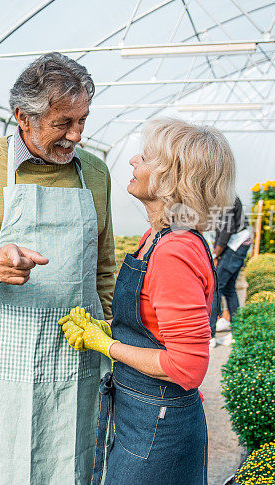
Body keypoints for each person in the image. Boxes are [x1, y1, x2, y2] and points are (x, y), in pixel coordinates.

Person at [0, 52, 116, 484]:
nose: (76, 135)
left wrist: (109, 336)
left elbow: (102, 269)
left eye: (83, 120)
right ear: (23, 117)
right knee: (2, 464)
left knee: (74, 463)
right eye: (62, 123)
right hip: (0, 365)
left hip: (77, 360)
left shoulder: (96, 173)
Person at [60, 118, 235, 485]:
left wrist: (106, 345)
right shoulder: (155, 237)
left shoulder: (175, 250)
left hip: (159, 423)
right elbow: (153, 324)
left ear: (173, 177)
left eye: (147, 156)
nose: (133, 160)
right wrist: (105, 328)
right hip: (140, 410)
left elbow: (187, 366)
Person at [209, 196, 252, 344]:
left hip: (237, 244)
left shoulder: (225, 196)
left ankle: (210, 336)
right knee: (228, 288)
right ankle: (237, 332)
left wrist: (216, 253)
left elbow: (226, 229)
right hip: (236, 244)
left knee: (215, 287)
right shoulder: (223, 195)